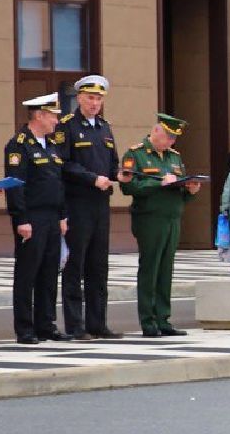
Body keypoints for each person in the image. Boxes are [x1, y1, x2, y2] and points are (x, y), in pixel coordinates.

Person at [119, 114, 197, 337]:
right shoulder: (136, 154)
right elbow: (129, 186)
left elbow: (180, 193)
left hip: (172, 217)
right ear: (156, 132)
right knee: (150, 268)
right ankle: (148, 320)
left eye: (174, 138)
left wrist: (189, 190)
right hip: (150, 218)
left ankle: (163, 319)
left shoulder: (174, 157)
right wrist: (158, 183)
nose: (172, 142)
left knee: (166, 269)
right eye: (169, 137)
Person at [3, 93, 70, 345]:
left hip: (53, 217)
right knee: (27, 273)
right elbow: (15, 186)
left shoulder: (51, 145)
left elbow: (57, 183)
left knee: (49, 273)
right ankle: (25, 328)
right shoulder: (19, 145)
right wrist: (20, 219)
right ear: (39, 115)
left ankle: (46, 324)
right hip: (31, 217)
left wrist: (63, 215)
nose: (57, 121)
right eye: (53, 115)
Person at [60, 75, 122, 339]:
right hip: (78, 204)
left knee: (98, 265)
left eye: (98, 99)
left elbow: (112, 162)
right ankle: (75, 325)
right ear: (79, 99)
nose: (95, 103)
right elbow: (65, 164)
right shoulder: (68, 127)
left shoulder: (105, 128)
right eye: (90, 98)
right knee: (76, 265)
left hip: (101, 204)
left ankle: (98, 323)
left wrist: (120, 174)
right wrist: (92, 178)